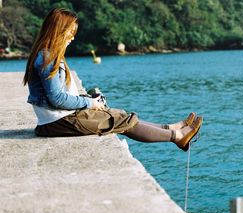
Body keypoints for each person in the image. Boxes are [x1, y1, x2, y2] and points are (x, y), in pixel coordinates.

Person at [23, 8, 202, 151]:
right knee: (121, 122)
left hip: (60, 120)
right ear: (58, 31)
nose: (73, 37)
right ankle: (177, 137)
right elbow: (57, 99)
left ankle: (171, 128)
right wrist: (89, 104)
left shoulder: (49, 54)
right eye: (70, 32)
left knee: (121, 115)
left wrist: (89, 99)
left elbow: (59, 94)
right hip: (58, 123)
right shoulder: (47, 57)